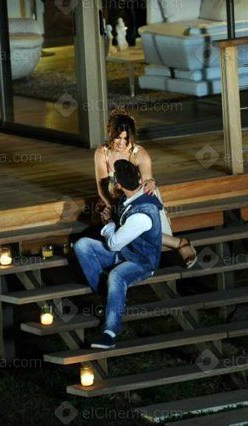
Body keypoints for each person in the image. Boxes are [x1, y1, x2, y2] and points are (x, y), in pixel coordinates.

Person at [75, 160, 163, 349]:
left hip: (142, 261)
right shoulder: (130, 196)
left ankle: (110, 333)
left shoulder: (142, 214)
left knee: (116, 276)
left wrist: (108, 223)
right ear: (139, 178)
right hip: (124, 251)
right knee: (82, 245)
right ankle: (107, 298)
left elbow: (113, 243)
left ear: (119, 184)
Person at [95, 109, 197, 268]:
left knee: (142, 217)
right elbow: (101, 186)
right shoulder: (102, 153)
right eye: (118, 137)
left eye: (126, 139)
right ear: (111, 133)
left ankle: (177, 244)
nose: (122, 143)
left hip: (138, 197)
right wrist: (110, 204)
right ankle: (177, 244)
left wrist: (150, 182)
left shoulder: (139, 153)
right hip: (113, 198)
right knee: (114, 219)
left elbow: (146, 182)